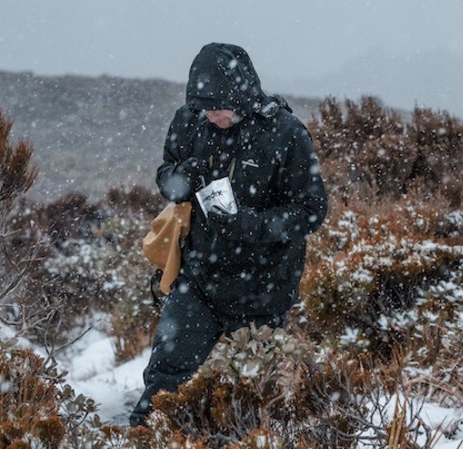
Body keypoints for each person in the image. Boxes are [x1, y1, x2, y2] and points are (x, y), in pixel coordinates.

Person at [129, 42, 327, 426]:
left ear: (241, 95)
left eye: (217, 107)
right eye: (202, 107)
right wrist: (179, 180)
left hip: (263, 291)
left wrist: (248, 224)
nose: (209, 115)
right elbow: (166, 173)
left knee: (251, 399)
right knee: (165, 378)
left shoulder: (286, 134)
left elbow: (311, 211)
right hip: (199, 279)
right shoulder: (189, 121)